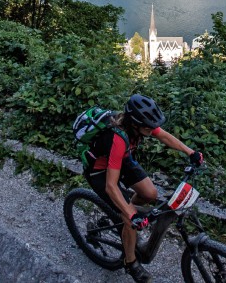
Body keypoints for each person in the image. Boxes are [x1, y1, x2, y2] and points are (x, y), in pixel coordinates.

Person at [83, 94, 204, 283]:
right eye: (148, 127)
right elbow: (110, 185)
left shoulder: (139, 126)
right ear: (135, 124)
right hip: (100, 172)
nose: (152, 129)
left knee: (150, 194)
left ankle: (121, 218)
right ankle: (130, 262)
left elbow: (164, 136)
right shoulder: (118, 139)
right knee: (129, 217)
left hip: (122, 160)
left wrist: (190, 152)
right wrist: (130, 214)